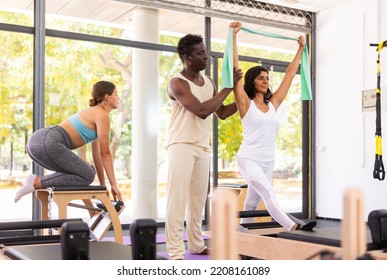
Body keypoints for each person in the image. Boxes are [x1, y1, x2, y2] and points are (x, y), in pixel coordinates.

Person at [230, 21, 316, 231]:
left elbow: (288, 75)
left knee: (252, 201)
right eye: (261, 78)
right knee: (268, 192)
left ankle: (241, 233)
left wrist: (300, 49)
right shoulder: (245, 103)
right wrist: (233, 37)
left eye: (267, 78)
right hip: (248, 158)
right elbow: (235, 70)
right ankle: (293, 226)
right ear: (252, 81)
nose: (266, 81)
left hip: (268, 161)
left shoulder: (273, 104)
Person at [165, 33, 242, 260]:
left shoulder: (209, 82)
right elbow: (201, 110)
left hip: (202, 148)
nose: (205, 56)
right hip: (180, 145)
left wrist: (243, 96)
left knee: (197, 202)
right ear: (186, 57)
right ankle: (175, 252)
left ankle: (196, 246)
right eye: (200, 53)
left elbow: (223, 113)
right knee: (177, 201)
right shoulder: (177, 83)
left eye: (205, 51)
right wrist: (228, 88)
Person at [14, 80, 123, 203]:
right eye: (116, 94)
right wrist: (114, 185)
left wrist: (103, 187)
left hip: (36, 143)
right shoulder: (102, 115)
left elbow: (97, 155)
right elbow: (106, 154)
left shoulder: (94, 113)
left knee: (88, 171)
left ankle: (36, 181)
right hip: (48, 141)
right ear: (107, 97)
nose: (118, 98)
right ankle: (35, 182)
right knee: (87, 174)